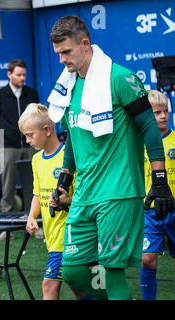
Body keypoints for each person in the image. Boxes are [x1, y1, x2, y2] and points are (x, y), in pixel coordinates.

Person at [48, 16, 173, 300]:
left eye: (66, 52)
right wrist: (64, 181)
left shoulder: (120, 78)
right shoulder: (67, 86)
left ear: (85, 44)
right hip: (84, 195)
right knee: (74, 271)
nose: (61, 60)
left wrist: (160, 180)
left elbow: (150, 129)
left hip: (119, 191)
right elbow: (73, 140)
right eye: (58, 54)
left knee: (110, 270)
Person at [19, 103, 73, 300]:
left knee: (49, 285)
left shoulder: (69, 156)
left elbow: (85, 197)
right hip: (52, 236)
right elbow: (36, 194)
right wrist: (32, 216)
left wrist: (66, 200)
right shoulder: (36, 159)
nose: (27, 140)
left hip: (69, 233)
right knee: (80, 287)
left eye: (30, 135)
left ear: (48, 130)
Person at [0, 59, 39, 241]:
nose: (22, 78)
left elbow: (37, 118)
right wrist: (1, 146)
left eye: (24, 75)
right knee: (7, 187)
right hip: (8, 146)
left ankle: (36, 223)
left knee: (34, 185)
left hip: (31, 145)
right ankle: (6, 228)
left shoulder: (32, 93)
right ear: (9, 74)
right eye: (19, 74)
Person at [140, 90, 175, 300]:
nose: (162, 116)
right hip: (149, 213)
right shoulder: (138, 143)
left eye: (165, 112)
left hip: (173, 209)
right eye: (157, 112)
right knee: (147, 259)